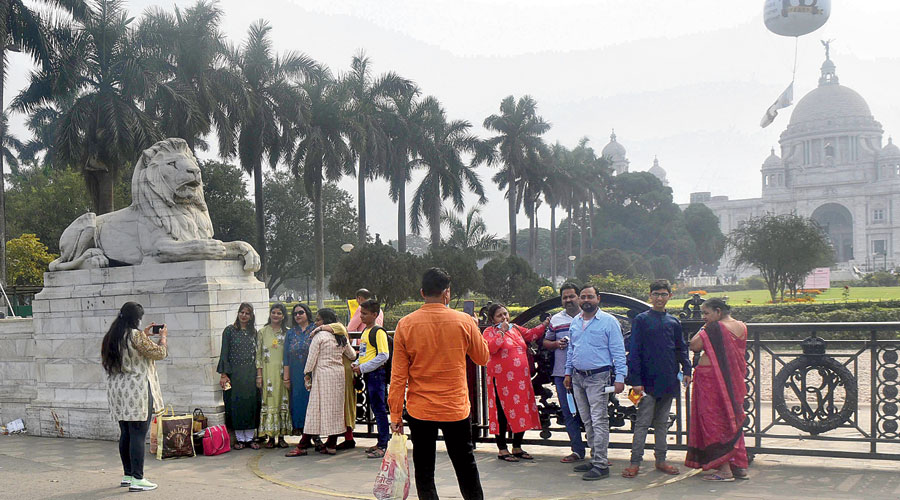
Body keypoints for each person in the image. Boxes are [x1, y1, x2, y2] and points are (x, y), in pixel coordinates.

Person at [388, 267, 490, 500]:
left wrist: (395, 415)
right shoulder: (463, 321)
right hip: (455, 408)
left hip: (420, 410)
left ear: (422, 292)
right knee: (466, 466)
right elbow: (482, 358)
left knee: (424, 471)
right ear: (447, 293)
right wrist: (474, 326)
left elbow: (398, 377)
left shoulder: (405, 324)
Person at [622, 280, 692, 478]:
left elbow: (681, 348)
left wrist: (687, 369)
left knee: (662, 423)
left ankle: (661, 460)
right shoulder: (642, 320)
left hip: (668, 379)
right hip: (646, 380)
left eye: (663, 294)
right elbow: (634, 350)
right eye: (656, 294)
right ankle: (635, 462)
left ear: (670, 296)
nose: (660, 298)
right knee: (643, 423)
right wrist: (635, 379)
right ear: (650, 296)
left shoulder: (673, 322)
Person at [564, 284, 627, 481]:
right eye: (583, 297)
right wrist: (568, 372)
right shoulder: (575, 321)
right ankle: (594, 458)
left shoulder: (609, 322)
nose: (586, 300)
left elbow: (618, 351)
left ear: (598, 299)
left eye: (590, 297)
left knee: (599, 420)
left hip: (598, 377)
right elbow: (572, 349)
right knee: (587, 420)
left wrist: (620, 377)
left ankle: (601, 464)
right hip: (577, 377)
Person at [101, 302, 166, 492]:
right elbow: (159, 353)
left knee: (126, 433)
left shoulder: (112, 336)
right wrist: (162, 338)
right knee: (138, 433)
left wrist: (144, 336)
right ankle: (138, 478)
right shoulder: (135, 335)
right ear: (136, 319)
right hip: (137, 389)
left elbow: (130, 350)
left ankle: (128, 475)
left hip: (118, 390)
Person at [685, 298, 749, 481]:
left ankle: (724, 470)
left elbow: (695, 345)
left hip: (712, 382)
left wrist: (704, 327)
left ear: (718, 312)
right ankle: (738, 467)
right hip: (733, 381)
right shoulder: (742, 326)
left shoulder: (715, 328)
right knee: (732, 420)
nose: (704, 317)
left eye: (706, 313)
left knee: (713, 422)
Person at [483, 303, 548, 463]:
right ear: (492, 319)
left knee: (521, 410)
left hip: (520, 380)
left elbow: (532, 335)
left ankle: (517, 446)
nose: (504, 318)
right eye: (500, 315)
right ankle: (502, 449)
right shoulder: (489, 332)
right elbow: (490, 348)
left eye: (506, 314)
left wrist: (545, 325)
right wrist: (501, 332)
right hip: (501, 380)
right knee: (502, 413)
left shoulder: (516, 329)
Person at [302, 308, 358, 455]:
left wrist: (307, 374)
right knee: (335, 410)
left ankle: (303, 444)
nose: (316, 322)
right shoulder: (340, 336)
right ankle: (332, 444)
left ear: (326, 321)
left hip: (322, 375)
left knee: (315, 409)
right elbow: (352, 355)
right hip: (338, 376)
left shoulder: (319, 336)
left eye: (318, 319)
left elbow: (311, 359)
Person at [542, 283, 587, 463]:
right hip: (562, 374)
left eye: (571, 296)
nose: (568, 300)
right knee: (569, 413)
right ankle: (577, 450)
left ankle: (599, 452)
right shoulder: (556, 320)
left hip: (588, 373)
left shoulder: (590, 316)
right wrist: (555, 344)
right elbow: (545, 341)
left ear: (579, 297)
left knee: (593, 413)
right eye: (565, 297)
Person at [351, 299, 391, 458]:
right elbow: (363, 354)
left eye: (365, 314)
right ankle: (381, 440)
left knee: (380, 410)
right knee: (375, 408)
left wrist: (363, 367)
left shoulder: (378, 332)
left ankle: (383, 444)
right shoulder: (366, 331)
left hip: (377, 375)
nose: (361, 316)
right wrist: (357, 364)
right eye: (361, 313)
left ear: (375, 315)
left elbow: (383, 356)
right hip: (369, 373)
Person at [217, 303, 261, 450]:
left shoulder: (253, 333)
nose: (244, 315)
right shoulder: (229, 331)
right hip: (234, 375)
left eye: (247, 313)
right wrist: (224, 374)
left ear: (251, 316)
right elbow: (224, 353)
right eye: (241, 312)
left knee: (250, 403)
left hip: (250, 374)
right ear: (238, 313)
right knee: (235, 404)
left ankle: (250, 438)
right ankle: (240, 439)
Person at [256, 303, 291, 448]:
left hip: (283, 374)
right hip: (268, 374)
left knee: (283, 402)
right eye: (273, 312)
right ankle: (270, 437)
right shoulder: (262, 332)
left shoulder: (288, 333)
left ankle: (281, 437)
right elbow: (258, 355)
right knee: (269, 403)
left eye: (279, 313)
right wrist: (259, 375)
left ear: (283, 316)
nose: (275, 315)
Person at [284, 303, 317, 457]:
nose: (298, 316)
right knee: (299, 403)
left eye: (301, 313)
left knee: (313, 403)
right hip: (296, 373)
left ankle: (315, 436)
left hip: (313, 373)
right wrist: (286, 377)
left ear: (307, 313)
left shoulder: (315, 329)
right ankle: (305, 436)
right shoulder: (291, 333)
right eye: (295, 313)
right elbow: (286, 356)